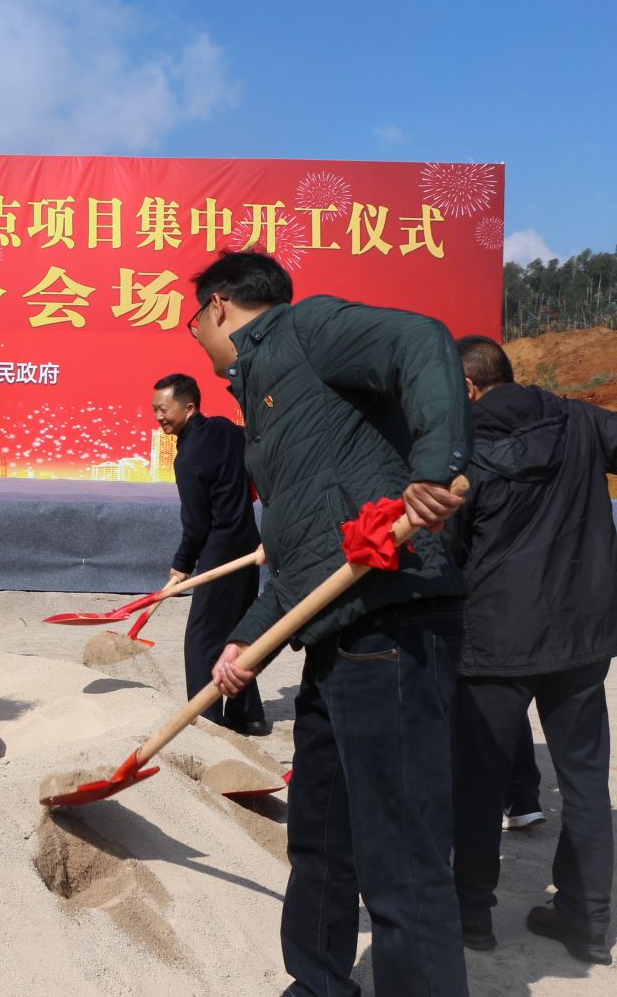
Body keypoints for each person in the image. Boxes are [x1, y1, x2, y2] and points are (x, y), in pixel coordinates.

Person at [196, 251, 473, 995]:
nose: (197, 336)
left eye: (195, 322)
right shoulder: (266, 402)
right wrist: (247, 639)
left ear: (218, 306)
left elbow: (422, 339)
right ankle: (318, 981)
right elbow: (307, 556)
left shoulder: (307, 329)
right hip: (334, 634)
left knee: (400, 852)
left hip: (392, 621)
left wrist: (436, 462)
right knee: (319, 831)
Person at [445, 335, 614, 964]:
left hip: (496, 640)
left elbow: (448, 550)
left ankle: (472, 916)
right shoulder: (581, 421)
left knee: (478, 781)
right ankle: (587, 920)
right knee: (586, 782)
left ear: (467, 388)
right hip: (582, 637)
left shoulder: (464, 453)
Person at [151, 372, 264, 733]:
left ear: (189, 408)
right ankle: (249, 714)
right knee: (239, 630)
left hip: (220, 550)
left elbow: (196, 524)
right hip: (248, 541)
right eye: (155, 410)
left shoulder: (188, 459)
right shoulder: (228, 430)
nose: (159, 417)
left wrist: (181, 564)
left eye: (165, 409)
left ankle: (208, 721)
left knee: (201, 640)